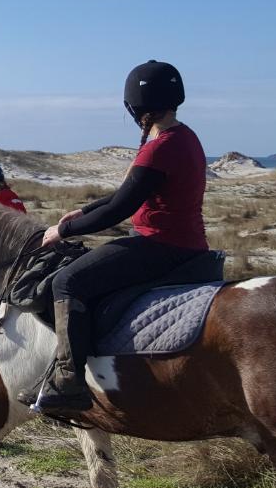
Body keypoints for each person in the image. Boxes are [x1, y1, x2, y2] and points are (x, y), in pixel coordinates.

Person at [28, 60, 208, 415]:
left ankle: (68, 381)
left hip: (160, 245)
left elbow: (118, 210)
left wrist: (61, 230)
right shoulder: (185, 136)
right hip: (187, 244)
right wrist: (82, 212)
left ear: (135, 104)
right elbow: (127, 192)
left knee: (67, 281)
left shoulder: (159, 147)